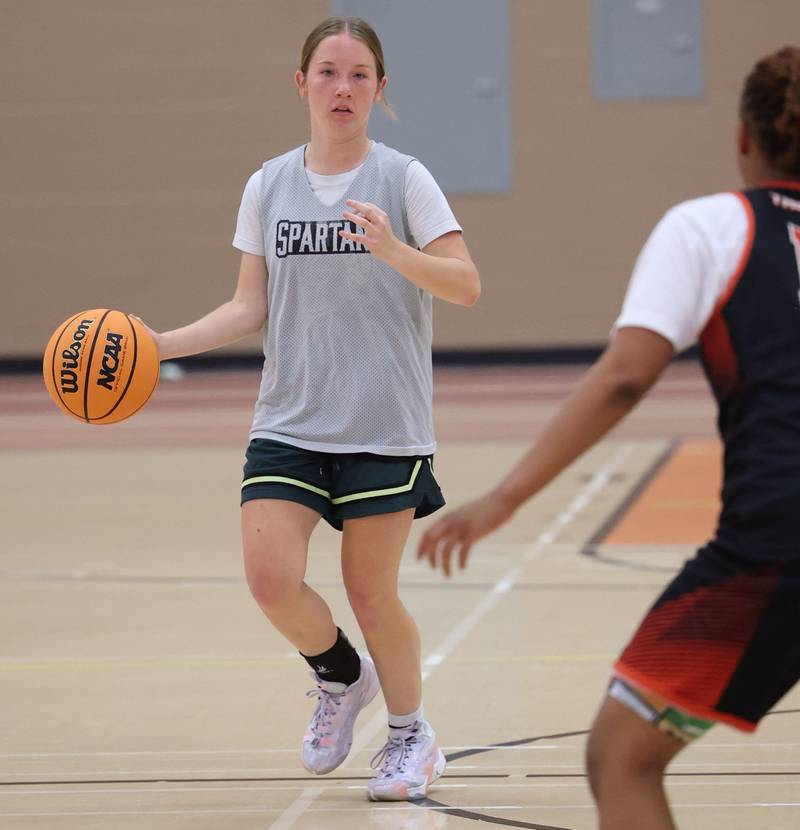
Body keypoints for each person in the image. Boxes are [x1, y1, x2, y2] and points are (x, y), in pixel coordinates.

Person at [417, 45, 800, 830]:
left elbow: (627, 375)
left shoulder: (709, 227)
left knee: (620, 755)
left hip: (776, 542)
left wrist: (503, 498)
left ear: (741, 138)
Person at [147, 16, 480, 802]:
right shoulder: (267, 184)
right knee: (270, 577)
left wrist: (397, 251)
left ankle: (411, 737)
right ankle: (340, 677)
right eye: (327, 72)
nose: (342, 87)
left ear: (379, 89)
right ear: (302, 84)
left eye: (359, 74)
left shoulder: (404, 179)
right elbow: (245, 306)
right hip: (289, 417)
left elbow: (466, 284)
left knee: (372, 593)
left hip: (383, 421)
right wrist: (158, 345)